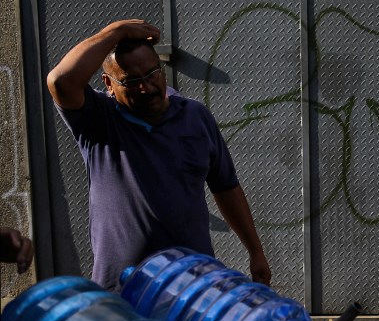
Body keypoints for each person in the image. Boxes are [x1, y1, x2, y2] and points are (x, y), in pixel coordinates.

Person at [47, 19, 271, 291]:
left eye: (152, 74)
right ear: (108, 83)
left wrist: (255, 251)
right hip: (123, 291)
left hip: (193, 287)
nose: (146, 87)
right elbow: (60, 80)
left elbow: (226, 187)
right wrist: (116, 32)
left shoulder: (195, 117)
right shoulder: (98, 121)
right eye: (132, 81)